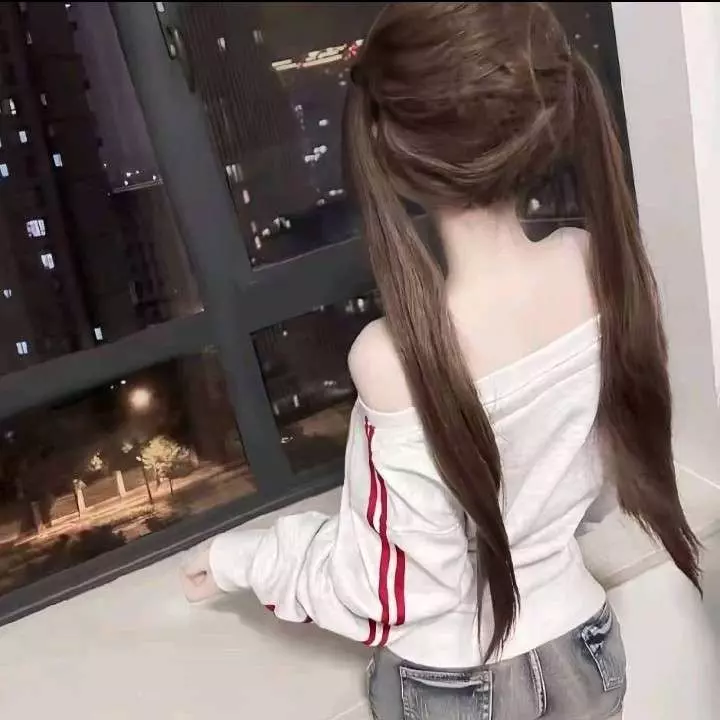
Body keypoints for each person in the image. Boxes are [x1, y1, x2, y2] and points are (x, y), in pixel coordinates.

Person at [181, 4, 701, 718]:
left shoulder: (392, 358)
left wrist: (241, 559)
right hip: (586, 646)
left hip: (456, 683)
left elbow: (382, 590)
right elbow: (597, 483)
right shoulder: (591, 267)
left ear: (396, 159)